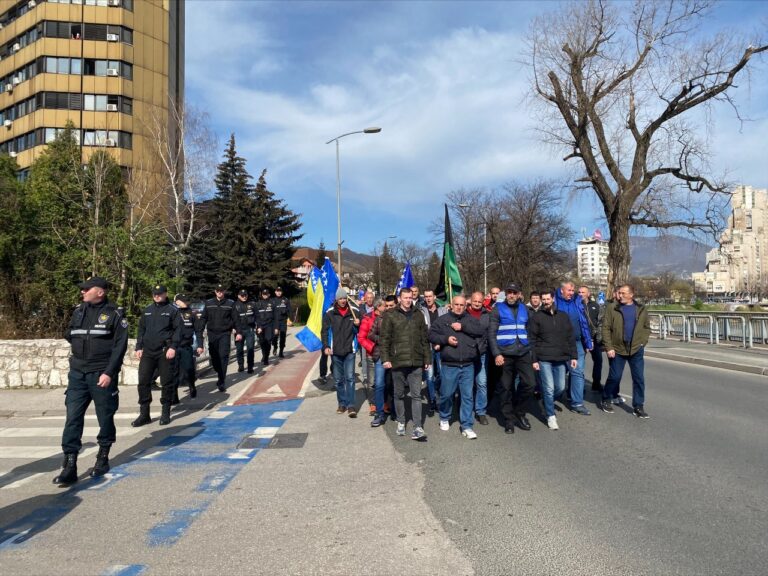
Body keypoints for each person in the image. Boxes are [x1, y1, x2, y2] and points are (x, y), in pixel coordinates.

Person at [54, 277, 128, 485]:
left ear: (100, 292)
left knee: (105, 417)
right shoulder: (79, 311)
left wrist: (109, 372)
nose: (82, 292)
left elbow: (119, 347)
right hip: (77, 374)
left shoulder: (114, 314)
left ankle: (103, 457)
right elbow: (70, 333)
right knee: (72, 418)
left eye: (87, 289)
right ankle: (70, 465)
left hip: (101, 374)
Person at [429, 295, 484, 439]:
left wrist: (463, 327)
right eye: (456, 304)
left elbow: (480, 331)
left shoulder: (471, 319)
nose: (459, 307)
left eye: (462, 305)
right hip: (449, 364)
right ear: (451, 305)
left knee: (467, 396)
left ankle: (467, 425)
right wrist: (445, 340)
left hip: (467, 364)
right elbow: (431, 335)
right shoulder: (443, 320)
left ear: (466, 306)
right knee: (447, 394)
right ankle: (444, 416)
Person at [380, 287, 431, 440]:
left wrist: (427, 359)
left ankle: (417, 427)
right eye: (405, 297)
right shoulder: (390, 315)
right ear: (399, 298)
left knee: (416, 395)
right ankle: (401, 422)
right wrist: (386, 359)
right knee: (399, 394)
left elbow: (424, 339)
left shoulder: (418, 315)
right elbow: (384, 340)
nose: (408, 300)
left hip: (416, 361)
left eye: (410, 297)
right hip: (398, 362)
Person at [488, 283, 537, 434]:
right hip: (505, 355)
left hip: (522, 353)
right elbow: (491, 334)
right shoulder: (497, 309)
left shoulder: (525, 309)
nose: (511, 295)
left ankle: (519, 412)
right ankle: (509, 419)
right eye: (509, 292)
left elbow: (530, 334)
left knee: (530, 384)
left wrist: (533, 357)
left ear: (519, 294)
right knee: (506, 388)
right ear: (506, 293)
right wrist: (497, 354)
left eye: (514, 293)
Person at [132, 285, 181, 427]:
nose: (157, 296)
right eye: (154, 294)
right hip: (148, 351)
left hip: (164, 351)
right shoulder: (147, 310)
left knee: (166, 382)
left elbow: (178, 330)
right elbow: (141, 329)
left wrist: (173, 347)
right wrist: (138, 346)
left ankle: (165, 412)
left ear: (165, 294)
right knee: (143, 381)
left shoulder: (173, 310)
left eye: (159, 294)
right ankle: (144, 414)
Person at [600, 284, 651, 418]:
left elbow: (647, 327)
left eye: (623, 293)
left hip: (636, 349)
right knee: (615, 377)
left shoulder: (640, 309)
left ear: (631, 295)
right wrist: (609, 347)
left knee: (639, 378)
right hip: (617, 349)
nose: (620, 295)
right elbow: (605, 328)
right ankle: (606, 398)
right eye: (619, 293)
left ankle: (638, 406)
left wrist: (642, 342)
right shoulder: (613, 308)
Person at [529, 291, 578, 430]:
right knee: (549, 388)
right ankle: (550, 416)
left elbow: (570, 337)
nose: (545, 301)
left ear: (553, 299)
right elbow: (532, 339)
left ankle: (546, 401)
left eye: (547, 299)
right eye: (543, 299)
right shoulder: (537, 317)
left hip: (560, 358)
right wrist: (534, 359)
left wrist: (574, 356)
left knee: (560, 387)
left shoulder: (563, 316)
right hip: (544, 358)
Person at [554, 281, 594, 415]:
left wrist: (587, 342)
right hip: (558, 344)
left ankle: (577, 403)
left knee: (577, 372)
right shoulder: (554, 302)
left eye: (573, 290)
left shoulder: (577, 302)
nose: (572, 293)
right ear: (561, 291)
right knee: (559, 378)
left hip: (576, 343)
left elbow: (583, 323)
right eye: (569, 290)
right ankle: (552, 396)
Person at [321, 287, 361, 416]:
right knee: (338, 380)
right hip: (335, 351)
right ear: (336, 299)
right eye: (340, 298)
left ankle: (351, 406)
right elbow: (325, 331)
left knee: (350, 378)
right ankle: (342, 403)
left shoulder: (355, 312)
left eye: (344, 298)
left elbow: (361, 330)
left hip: (350, 350)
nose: (343, 301)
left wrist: (357, 324)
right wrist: (326, 346)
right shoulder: (329, 313)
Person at [201, 284, 242, 392]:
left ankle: (221, 380)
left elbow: (236, 319)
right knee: (214, 358)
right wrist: (199, 332)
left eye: (221, 291)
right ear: (215, 291)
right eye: (218, 290)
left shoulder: (230, 304)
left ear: (224, 292)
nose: (220, 292)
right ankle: (219, 372)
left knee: (223, 357)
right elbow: (203, 318)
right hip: (212, 334)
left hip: (224, 334)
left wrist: (238, 332)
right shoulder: (209, 303)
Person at [357, 298, 387, 426]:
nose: (386, 307)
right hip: (371, 354)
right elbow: (361, 337)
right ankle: (374, 404)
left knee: (384, 381)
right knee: (372, 382)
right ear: (378, 307)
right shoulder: (367, 318)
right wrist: (372, 347)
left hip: (384, 354)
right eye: (384, 306)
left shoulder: (387, 317)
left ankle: (384, 403)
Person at [419, 289, 445, 416]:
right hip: (428, 347)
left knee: (441, 374)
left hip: (441, 347)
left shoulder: (442, 310)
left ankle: (439, 394)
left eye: (430, 296)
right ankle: (433, 401)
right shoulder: (421, 311)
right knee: (429, 376)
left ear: (434, 297)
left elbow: (446, 327)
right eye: (426, 297)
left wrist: (440, 342)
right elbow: (422, 330)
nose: (428, 298)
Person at [173, 294, 204, 400]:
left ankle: (192, 386)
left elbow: (198, 330)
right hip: (173, 347)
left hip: (186, 346)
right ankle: (174, 395)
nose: (186, 302)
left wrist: (200, 345)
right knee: (174, 371)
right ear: (177, 301)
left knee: (189, 369)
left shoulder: (191, 313)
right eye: (183, 301)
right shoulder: (171, 312)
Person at [467, 291, 491, 426]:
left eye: (479, 302)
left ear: (483, 302)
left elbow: (489, 333)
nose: (477, 304)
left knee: (482, 383)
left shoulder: (487, 315)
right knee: (468, 384)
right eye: (475, 301)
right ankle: (467, 410)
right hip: (467, 355)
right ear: (471, 300)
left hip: (482, 354)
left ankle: (481, 411)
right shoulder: (464, 313)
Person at [579, 285, 604, 392]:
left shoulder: (595, 306)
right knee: (579, 364)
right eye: (579, 292)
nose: (580, 294)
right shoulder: (576, 306)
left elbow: (601, 322)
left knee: (598, 361)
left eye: (583, 292)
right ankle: (578, 386)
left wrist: (598, 337)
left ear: (588, 294)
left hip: (594, 339)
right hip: (581, 339)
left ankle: (596, 384)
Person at [358, 290, 376, 394]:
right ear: (365, 299)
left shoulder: (376, 309)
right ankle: (365, 376)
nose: (369, 299)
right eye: (367, 297)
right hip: (364, 337)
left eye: (371, 297)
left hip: (373, 338)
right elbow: (357, 321)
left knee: (372, 359)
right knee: (364, 357)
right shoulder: (360, 309)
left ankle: (372, 377)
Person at [234, 289, 257, 373]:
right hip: (239, 331)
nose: (244, 297)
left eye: (245, 295)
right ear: (239, 296)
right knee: (239, 349)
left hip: (249, 330)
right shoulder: (235, 305)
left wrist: (258, 326)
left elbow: (257, 315)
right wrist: (233, 328)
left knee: (250, 349)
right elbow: (232, 319)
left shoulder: (252, 304)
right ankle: (241, 365)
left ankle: (250, 366)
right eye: (242, 295)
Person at [255, 288, 279, 366]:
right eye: (263, 294)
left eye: (266, 294)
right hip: (260, 326)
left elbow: (276, 316)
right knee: (262, 342)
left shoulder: (272, 303)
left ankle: (266, 358)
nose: (265, 295)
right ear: (262, 295)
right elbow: (256, 316)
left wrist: (276, 327)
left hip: (270, 325)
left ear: (269, 294)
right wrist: (258, 326)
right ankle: (264, 354)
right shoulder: (258, 304)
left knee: (268, 342)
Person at [271, 286, 293, 358]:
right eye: (277, 291)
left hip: (283, 321)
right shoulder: (272, 300)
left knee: (283, 337)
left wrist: (291, 319)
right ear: (275, 292)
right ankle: (275, 346)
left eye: (280, 291)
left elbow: (290, 310)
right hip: (275, 322)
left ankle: (281, 351)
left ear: (282, 292)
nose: (279, 292)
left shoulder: (285, 300)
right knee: (274, 336)